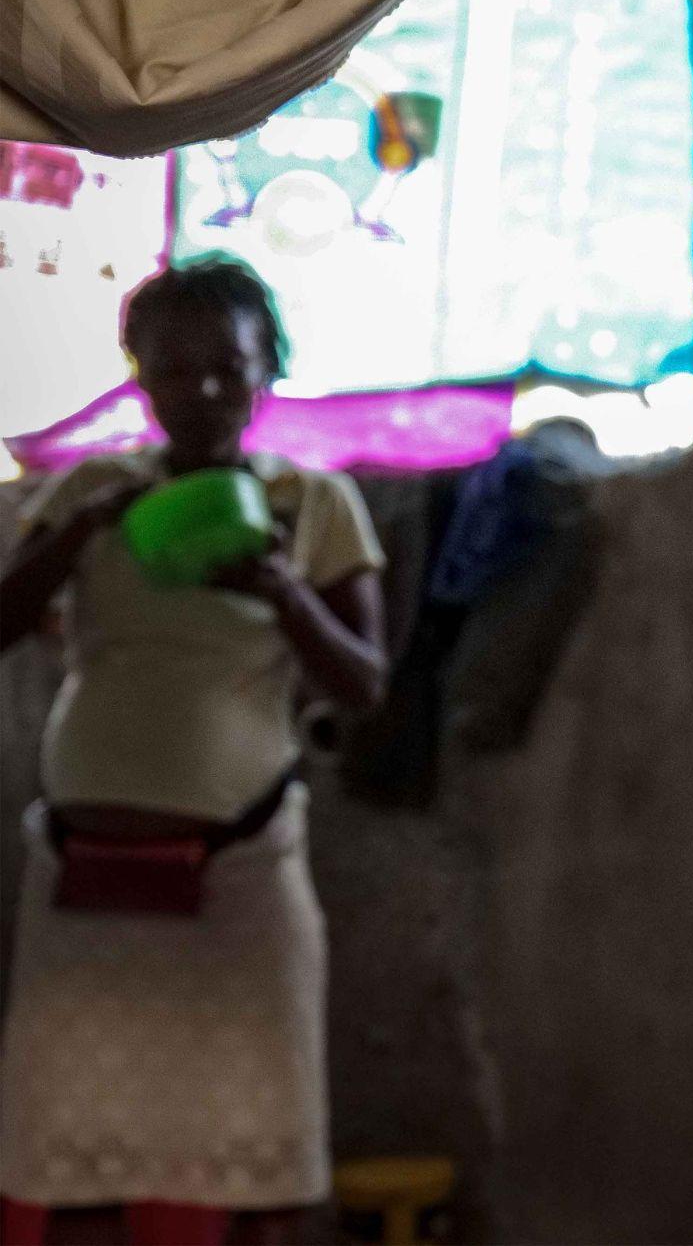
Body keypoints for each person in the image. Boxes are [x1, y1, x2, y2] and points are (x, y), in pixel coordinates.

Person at [0, 256, 387, 1246]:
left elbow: (363, 684)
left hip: (242, 870)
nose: (203, 390)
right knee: (75, 1156)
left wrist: (281, 591)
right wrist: (81, 531)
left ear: (269, 369)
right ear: (140, 376)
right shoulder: (92, 489)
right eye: (174, 368)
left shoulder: (313, 503)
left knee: (257, 1160)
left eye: (229, 365)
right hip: (85, 877)